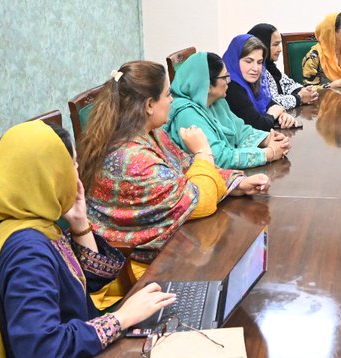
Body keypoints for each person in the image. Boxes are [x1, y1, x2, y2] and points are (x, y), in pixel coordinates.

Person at [0, 120, 177, 358]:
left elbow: (78, 283)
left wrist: (79, 223)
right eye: (71, 166)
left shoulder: (23, 213)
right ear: (52, 173)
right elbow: (46, 354)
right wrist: (120, 319)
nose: (77, 175)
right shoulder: (28, 251)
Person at [78, 61, 270, 272]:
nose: (172, 100)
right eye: (168, 94)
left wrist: (238, 184)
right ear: (149, 105)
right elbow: (199, 202)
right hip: (133, 270)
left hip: (168, 249)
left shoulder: (151, 133)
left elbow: (186, 168)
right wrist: (203, 152)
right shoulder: (132, 159)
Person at [166, 51, 291, 168]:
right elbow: (217, 157)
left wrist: (269, 139)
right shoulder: (187, 114)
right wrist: (269, 153)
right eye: (225, 77)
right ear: (207, 85)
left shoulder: (216, 101)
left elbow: (241, 130)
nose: (228, 82)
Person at [223, 34, 297, 131]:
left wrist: (282, 114)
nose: (256, 68)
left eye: (259, 62)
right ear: (235, 60)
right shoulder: (231, 87)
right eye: (249, 61)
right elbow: (258, 125)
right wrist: (273, 114)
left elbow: (268, 102)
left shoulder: (251, 81)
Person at [247, 23, 319, 111]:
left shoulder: (271, 67)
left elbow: (288, 84)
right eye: (275, 45)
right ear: (262, 45)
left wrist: (303, 90)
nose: (280, 49)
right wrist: (299, 98)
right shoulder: (255, 70)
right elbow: (271, 101)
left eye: (279, 44)